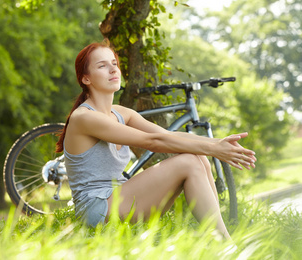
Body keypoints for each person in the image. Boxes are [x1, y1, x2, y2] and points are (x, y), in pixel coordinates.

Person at [56, 39, 257, 239]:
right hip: (97, 210)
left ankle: (220, 235)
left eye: (114, 64)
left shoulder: (120, 113)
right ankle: (226, 245)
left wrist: (217, 144)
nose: (112, 70)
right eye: (102, 66)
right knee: (188, 162)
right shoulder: (84, 117)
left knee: (198, 158)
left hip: (119, 199)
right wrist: (213, 149)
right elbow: (153, 141)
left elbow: (166, 135)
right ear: (86, 79)